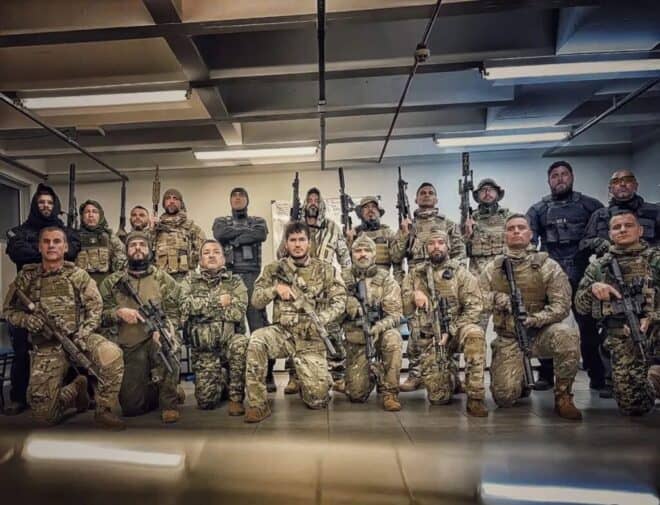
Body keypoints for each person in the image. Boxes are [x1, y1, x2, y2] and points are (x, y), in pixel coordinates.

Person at [3, 226, 124, 429]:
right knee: (44, 417)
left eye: (57, 241)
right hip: (47, 345)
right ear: (39, 247)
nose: (51, 245)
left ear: (66, 247)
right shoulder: (27, 277)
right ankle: (76, 389)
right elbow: (8, 310)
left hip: (79, 338)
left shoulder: (78, 275)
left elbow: (95, 309)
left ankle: (104, 410)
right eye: (46, 241)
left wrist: (83, 333)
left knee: (112, 354)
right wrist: (26, 320)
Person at [479, 214, 582, 420]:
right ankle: (520, 380)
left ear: (530, 234)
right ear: (504, 235)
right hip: (510, 337)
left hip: (541, 333)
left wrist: (535, 319)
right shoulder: (493, 268)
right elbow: (477, 298)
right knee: (504, 397)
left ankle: (563, 396)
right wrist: (497, 298)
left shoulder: (548, 265)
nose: (516, 231)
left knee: (567, 335)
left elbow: (562, 306)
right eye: (511, 229)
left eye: (521, 227)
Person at [245, 221, 346, 423]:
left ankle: (306, 376)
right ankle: (258, 404)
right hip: (283, 333)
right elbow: (255, 301)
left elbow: (340, 300)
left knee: (318, 400)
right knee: (257, 340)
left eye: (302, 239)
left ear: (309, 243)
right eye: (292, 240)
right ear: (286, 243)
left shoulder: (325, 269)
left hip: (311, 337)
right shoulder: (274, 269)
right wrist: (274, 290)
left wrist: (323, 318)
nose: (297, 244)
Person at [527, 161, 604, 392]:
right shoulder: (538, 209)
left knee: (589, 325)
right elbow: (530, 243)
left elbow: (604, 238)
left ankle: (597, 375)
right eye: (555, 175)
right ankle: (546, 374)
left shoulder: (590, 205)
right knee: (545, 323)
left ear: (572, 177)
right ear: (548, 180)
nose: (560, 179)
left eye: (564, 174)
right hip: (551, 272)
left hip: (582, 271)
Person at [4, 183, 81, 415]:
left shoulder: (67, 231)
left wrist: (38, 251)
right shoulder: (20, 231)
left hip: (60, 300)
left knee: (66, 346)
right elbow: (16, 251)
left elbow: (73, 250)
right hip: (27, 298)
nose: (46, 206)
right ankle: (18, 397)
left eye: (49, 203)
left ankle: (71, 393)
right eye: (41, 203)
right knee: (22, 349)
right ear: (35, 205)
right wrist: (50, 252)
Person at [575, 211, 660, 415]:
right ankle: (654, 379)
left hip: (656, 329)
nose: (622, 230)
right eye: (616, 227)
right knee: (634, 406)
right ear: (610, 234)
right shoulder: (598, 267)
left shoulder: (656, 260)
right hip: (623, 337)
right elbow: (580, 306)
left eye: (628, 225)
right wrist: (593, 289)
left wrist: (652, 317)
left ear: (640, 230)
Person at [402, 229, 488, 417]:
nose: (436, 247)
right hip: (431, 337)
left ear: (448, 246)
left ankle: (476, 398)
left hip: (457, 331)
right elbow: (404, 308)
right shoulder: (415, 274)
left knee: (475, 334)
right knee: (438, 398)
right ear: (426, 248)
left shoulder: (460, 273)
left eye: (441, 242)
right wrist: (413, 295)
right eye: (431, 243)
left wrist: (452, 329)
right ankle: (452, 379)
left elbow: (475, 307)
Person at [99, 231, 182, 423]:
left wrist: (166, 329)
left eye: (142, 245)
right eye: (133, 245)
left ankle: (169, 403)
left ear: (150, 250)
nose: (138, 248)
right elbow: (98, 315)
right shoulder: (112, 282)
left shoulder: (163, 279)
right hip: (129, 346)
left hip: (155, 340)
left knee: (168, 345)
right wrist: (118, 313)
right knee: (132, 408)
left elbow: (175, 312)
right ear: (126, 251)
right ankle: (159, 389)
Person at [394, 182, 466, 393]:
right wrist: (403, 234)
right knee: (417, 329)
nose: (426, 196)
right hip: (418, 280)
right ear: (416, 199)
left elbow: (460, 253)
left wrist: (451, 274)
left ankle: (452, 375)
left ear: (436, 198)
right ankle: (416, 374)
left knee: (447, 323)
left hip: (444, 279)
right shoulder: (408, 225)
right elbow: (396, 257)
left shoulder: (448, 224)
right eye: (422, 193)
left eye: (430, 193)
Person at [278, 187, 351, 394]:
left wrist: (345, 286)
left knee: (332, 329)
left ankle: (337, 375)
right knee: (295, 331)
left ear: (321, 204)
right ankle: (295, 377)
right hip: (298, 287)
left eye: (316, 200)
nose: (312, 203)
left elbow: (345, 259)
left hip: (325, 287)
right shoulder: (294, 228)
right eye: (309, 199)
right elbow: (280, 255)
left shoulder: (333, 228)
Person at [212, 187, 274, 392]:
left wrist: (236, 240)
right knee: (231, 329)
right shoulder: (221, 221)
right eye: (234, 196)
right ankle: (234, 377)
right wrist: (245, 235)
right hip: (229, 279)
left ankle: (267, 374)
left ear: (248, 200)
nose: (238, 198)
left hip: (252, 278)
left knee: (259, 327)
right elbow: (221, 233)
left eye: (241, 196)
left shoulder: (258, 221)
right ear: (230, 200)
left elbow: (260, 234)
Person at [180, 240, 249, 415]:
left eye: (216, 252)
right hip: (204, 349)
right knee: (206, 403)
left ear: (223, 259)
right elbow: (184, 307)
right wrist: (217, 302)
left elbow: (237, 313)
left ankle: (236, 398)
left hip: (229, 343)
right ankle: (221, 379)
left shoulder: (235, 281)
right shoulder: (189, 281)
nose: (211, 255)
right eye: (206, 252)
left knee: (241, 343)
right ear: (200, 260)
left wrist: (201, 311)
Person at [340, 235, 403, 411]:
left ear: (374, 254)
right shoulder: (342, 279)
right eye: (358, 251)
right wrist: (345, 303)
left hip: (380, 335)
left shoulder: (385, 279)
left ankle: (390, 392)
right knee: (356, 395)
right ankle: (372, 374)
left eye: (367, 250)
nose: (362, 254)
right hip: (356, 339)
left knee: (393, 338)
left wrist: (379, 327)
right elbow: (330, 310)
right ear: (351, 254)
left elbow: (396, 315)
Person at [463, 178, 511, 329]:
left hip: (503, 275)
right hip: (479, 278)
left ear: (498, 193)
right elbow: (459, 251)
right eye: (483, 190)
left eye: (491, 189)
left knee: (509, 325)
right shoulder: (470, 219)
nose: (487, 192)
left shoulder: (508, 218)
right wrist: (467, 234)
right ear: (477, 195)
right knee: (476, 325)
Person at [582, 169, 660, 252]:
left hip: (648, 258)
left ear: (636, 186)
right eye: (616, 182)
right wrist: (596, 242)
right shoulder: (599, 215)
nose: (622, 184)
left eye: (628, 180)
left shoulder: (655, 211)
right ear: (610, 189)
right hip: (609, 259)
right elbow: (583, 244)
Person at [346, 196, 404, 283]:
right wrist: (349, 241)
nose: (370, 209)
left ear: (379, 212)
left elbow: (397, 262)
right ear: (361, 214)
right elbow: (346, 262)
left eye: (374, 207)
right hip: (360, 281)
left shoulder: (387, 233)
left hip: (383, 282)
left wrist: (398, 284)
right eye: (366, 207)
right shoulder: (354, 234)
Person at [153, 188, 206, 281]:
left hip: (186, 280)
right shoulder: (156, 227)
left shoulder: (192, 228)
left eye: (175, 198)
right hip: (161, 279)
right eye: (168, 198)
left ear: (181, 203)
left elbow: (204, 253)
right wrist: (151, 228)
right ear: (163, 204)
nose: (171, 201)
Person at [76, 199, 127, 285]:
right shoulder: (74, 236)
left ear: (101, 215)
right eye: (87, 212)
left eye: (94, 212)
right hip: (81, 286)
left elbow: (122, 262)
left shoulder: (110, 236)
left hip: (105, 287)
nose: (91, 215)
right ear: (82, 216)